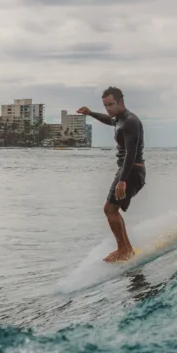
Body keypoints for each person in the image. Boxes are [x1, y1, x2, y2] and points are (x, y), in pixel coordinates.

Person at [77, 86, 145, 262]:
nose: (108, 109)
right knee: (112, 209)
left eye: (111, 105)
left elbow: (131, 153)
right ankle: (126, 249)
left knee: (109, 209)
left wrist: (122, 181)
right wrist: (90, 113)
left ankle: (124, 250)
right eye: (105, 105)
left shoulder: (130, 121)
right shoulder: (120, 119)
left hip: (131, 171)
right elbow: (110, 120)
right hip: (128, 171)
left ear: (120, 101)